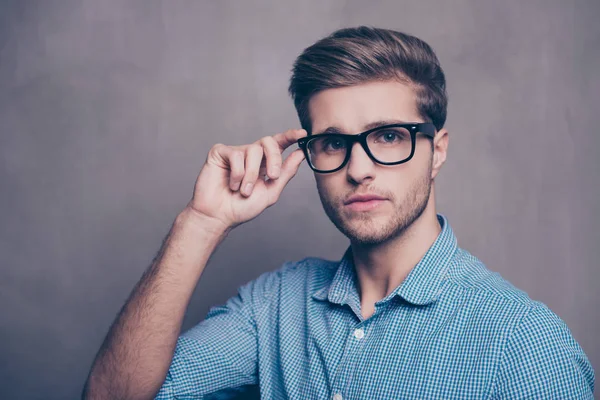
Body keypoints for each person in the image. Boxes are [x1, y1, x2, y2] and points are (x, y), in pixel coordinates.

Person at [82, 26, 595, 399]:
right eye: (332, 143)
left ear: (437, 150)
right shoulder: (277, 304)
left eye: (388, 136)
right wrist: (201, 223)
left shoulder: (525, 344)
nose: (358, 168)